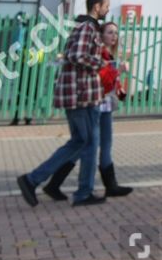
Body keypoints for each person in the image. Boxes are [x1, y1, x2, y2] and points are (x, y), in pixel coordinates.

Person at [17, 0, 111, 207]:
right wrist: (100, 63)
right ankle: (33, 180)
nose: (107, 10)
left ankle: (78, 191)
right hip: (80, 94)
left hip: (80, 93)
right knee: (82, 141)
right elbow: (77, 56)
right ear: (97, 7)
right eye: (106, 6)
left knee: (83, 142)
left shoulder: (83, 26)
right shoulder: (88, 28)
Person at [41, 20, 134, 200]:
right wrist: (118, 71)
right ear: (100, 35)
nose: (114, 36)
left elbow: (112, 82)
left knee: (105, 144)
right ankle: (55, 183)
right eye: (109, 32)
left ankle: (110, 185)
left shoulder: (109, 55)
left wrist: (120, 89)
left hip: (106, 104)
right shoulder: (97, 54)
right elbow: (100, 79)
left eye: (115, 33)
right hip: (95, 103)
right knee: (86, 145)